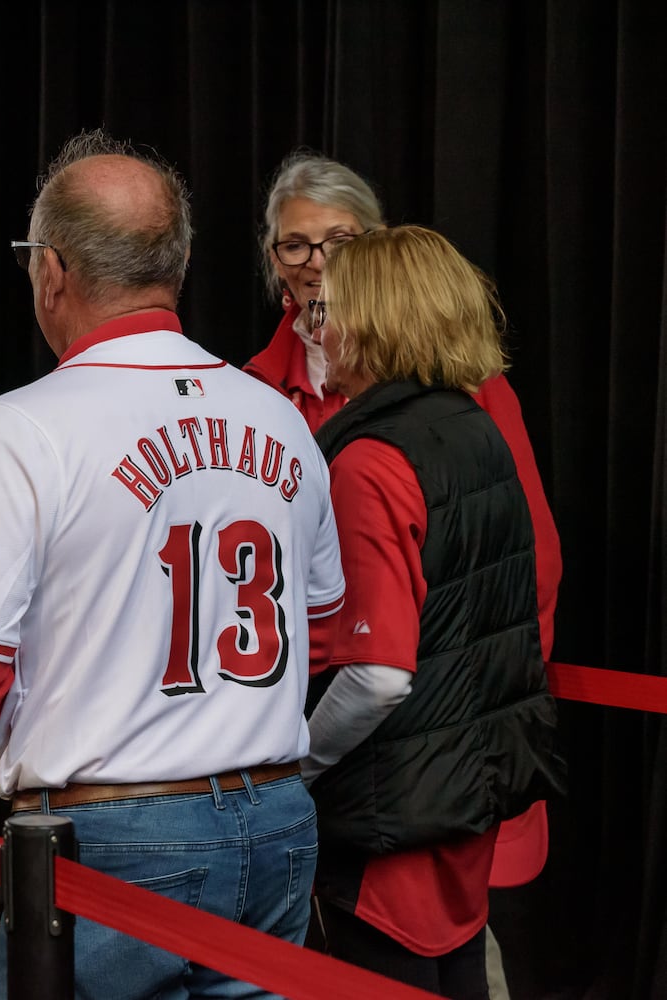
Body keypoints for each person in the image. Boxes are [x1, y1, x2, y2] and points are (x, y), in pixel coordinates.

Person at [0, 128, 345, 999]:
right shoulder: (280, 417)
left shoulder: (20, 430)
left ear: (52, 271)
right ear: (174, 268)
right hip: (279, 817)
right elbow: (321, 635)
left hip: (112, 838)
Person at [248, 151, 563, 933]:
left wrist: (471, 720)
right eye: (296, 245)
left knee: (421, 950)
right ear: (274, 262)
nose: (319, 264)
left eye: (341, 242)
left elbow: (528, 570)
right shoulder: (251, 391)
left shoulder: (465, 390)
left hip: (421, 762)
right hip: (323, 756)